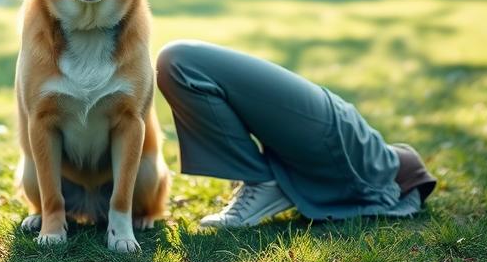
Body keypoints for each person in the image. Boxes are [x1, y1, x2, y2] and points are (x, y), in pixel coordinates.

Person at [155, 40, 437, 228]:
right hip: (345, 146)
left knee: (179, 59)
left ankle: (262, 181)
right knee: (178, 60)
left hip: (347, 149)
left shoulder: (370, 168)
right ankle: (262, 179)